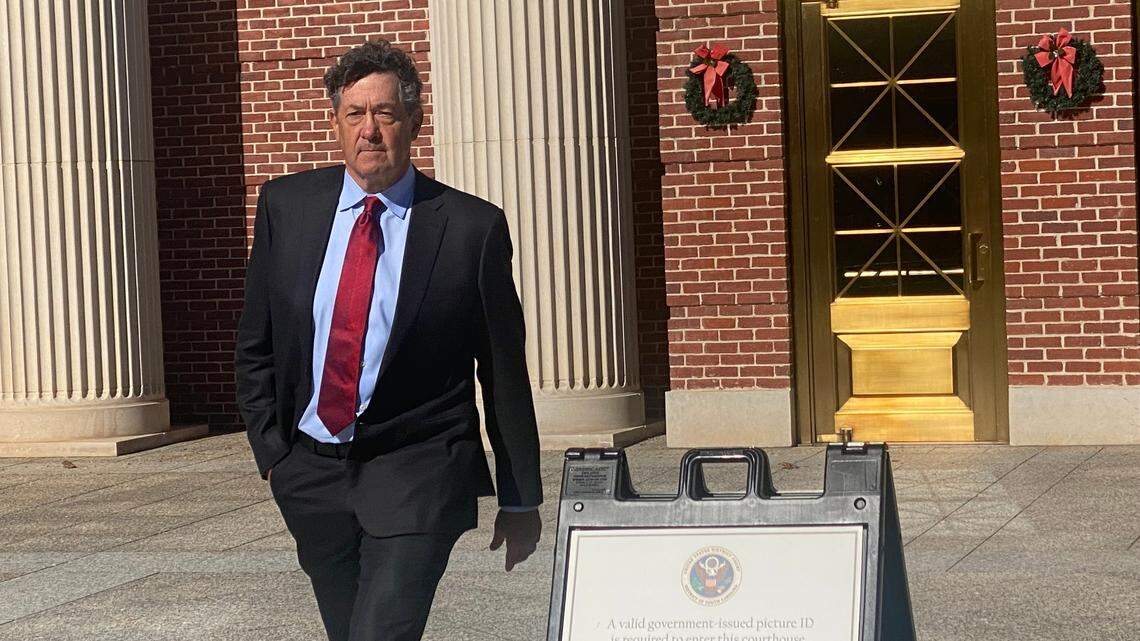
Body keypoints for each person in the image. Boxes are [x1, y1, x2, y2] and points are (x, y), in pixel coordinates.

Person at [234, 39, 543, 641]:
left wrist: (520, 494)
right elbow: (257, 342)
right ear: (336, 123)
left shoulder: (470, 229)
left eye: (385, 114)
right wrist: (273, 455)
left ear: (414, 123)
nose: (369, 130)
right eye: (355, 114)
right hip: (311, 478)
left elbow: (502, 371)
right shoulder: (287, 207)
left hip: (419, 469)